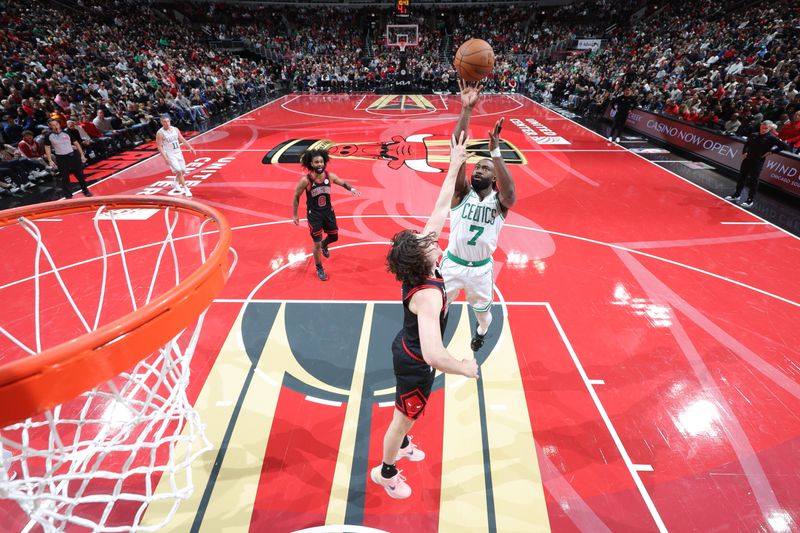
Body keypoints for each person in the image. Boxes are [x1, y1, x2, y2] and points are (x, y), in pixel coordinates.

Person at [373, 132, 479, 499]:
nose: (432, 237)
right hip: (416, 361)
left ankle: (401, 448)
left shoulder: (423, 266)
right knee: (402, 417)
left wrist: (453, 164)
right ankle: (386, 472)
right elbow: (434, 354)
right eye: (426, 240)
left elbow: (439, 208)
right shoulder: (429, 297)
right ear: (422, 257)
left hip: (409, 349)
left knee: (408, 414)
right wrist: (464, 366)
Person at [441, 80, 517, 352]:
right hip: (452, 263)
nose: (477, 170)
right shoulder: (461, 193)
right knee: (436, 307)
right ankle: (434, 344)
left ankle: (481, 332)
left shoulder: (500, 203)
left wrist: (494, 151)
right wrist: (466, 111)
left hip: (481, 270)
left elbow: (511, 193)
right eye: (476, 167)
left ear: (494, 177)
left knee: (483, 316)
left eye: (484, 169)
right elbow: (457, 150)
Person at [291, 148, 361, 281]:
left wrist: (351, 188)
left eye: (321, 162)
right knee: (316, 244)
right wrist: (295, 215)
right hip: (314, 216)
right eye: (316, 162)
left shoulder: (330, 176)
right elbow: (296, 197)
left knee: (334, 237)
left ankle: (324, 245)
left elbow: (343, 182)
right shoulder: (306, 180)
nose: (319, 164)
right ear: (311, 163)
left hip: (328, 212)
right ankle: (319, 267)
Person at [725, 121, 792, 208]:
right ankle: (736, 195)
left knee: (754, 180)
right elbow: (747, 144)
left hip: (758, 161)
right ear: (760, 126)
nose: (763, 130)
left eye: (766, 129)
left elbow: (785, 146)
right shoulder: (754, 134)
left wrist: (772, 152)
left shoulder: (771, 138)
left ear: (769, 129)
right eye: (762, 127)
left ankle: (750, 200)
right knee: (742, 177)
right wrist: (744, 152)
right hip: (747, 159)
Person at [43, 118, 92, 199]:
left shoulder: (66, 132)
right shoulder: (48, 136)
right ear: (49, 126)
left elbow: (76, 143)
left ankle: (85, 190)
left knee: (79, 174)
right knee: (65, 177)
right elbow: (47, 147)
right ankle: (68, 195)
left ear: (59, 124)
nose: (55, 126)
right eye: (53, 125)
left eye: (56, 124)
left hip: (72, 156)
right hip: (61, 158)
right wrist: (50, 160)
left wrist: (82, 155)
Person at [156, 114, 196, 197]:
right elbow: (159, 147)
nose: (166, 123)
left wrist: (190, 147)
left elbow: (182, 139)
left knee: (183, 170)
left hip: (178, 152)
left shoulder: (175, 129)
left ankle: (175, 183)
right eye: (164, 122)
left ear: (170, 121)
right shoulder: (160, 133)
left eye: (167, 121)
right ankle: (186, 189)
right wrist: (165, 158)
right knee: (179, 171)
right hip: (170, 154)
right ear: (161, 123)